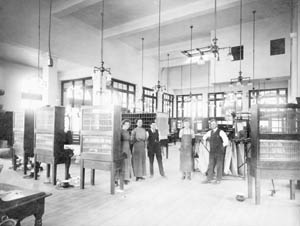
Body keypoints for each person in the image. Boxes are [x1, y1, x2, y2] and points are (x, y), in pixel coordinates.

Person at [202, 119, 229, 184]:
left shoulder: (221, 132)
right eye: (211, 124)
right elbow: (204, 137)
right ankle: (209, 178)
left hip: (219, 152)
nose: (212, 125)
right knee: (211, 165)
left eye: (214, 124)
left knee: (219, 165)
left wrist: (221, 146)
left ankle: (218, 179)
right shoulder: (209, 132)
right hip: (212, 151)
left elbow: (226, 141)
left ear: (216, 124)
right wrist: (204, 141)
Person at [120, 119, 133, 185]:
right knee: (122, 164)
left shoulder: (127, 132)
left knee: (127, 163)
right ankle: (120, 179)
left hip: (128, 149)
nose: (127, 126)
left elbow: (129, 141)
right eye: (126, 124)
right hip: (122, 149)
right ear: (123, 124)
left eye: (128, 125)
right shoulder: (120, 131)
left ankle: (126, 178)